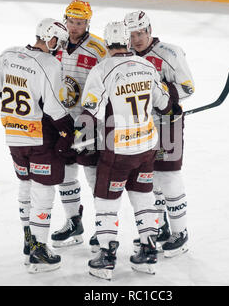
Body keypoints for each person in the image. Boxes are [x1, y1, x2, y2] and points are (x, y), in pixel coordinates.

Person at [78, 21, 181, 280]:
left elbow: (90, 111)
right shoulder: (147, 66)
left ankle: (107, 256)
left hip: (118, 150)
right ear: (126, 41)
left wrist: (79, 140)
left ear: (106, 43)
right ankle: (148, 252)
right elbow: (164, 103)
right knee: (143, 198)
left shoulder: (101, 70)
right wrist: (174, 106)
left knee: (106, 200)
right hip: (146, 146)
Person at [0, 18, 75, 273]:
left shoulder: (8, 54)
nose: (58, 47)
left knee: (26, 185)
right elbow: (53, 107)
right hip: (39, 137)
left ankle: (29, 240)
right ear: (50, 38)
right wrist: (67, 132)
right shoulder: (49, 63)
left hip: (13, 136)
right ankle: (40, 251)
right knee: (43, 191)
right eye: (58, 42)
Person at [124, 10, 195, 257]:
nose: (137, 39)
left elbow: (187, 87)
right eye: (132, 34)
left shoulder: (170, 53)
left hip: (168, 124)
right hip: (140, 127)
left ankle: (181, 233)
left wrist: (161, 96)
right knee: (149, 178)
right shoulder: (126, 56)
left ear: (149, 30)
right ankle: (160, 227)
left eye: (141, 33)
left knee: (169, 177)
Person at [51, 0, 110, 248]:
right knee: (65, 173)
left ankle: (102, 229)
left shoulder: (98, 48)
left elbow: (111, 80)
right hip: (61, 121)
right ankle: (73, 222)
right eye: (71, 22)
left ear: (88, 22)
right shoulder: (57, 44)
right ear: (65, 20)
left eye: (80, 22)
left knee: (93, 175)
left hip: (89, 122)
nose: (74, 27)